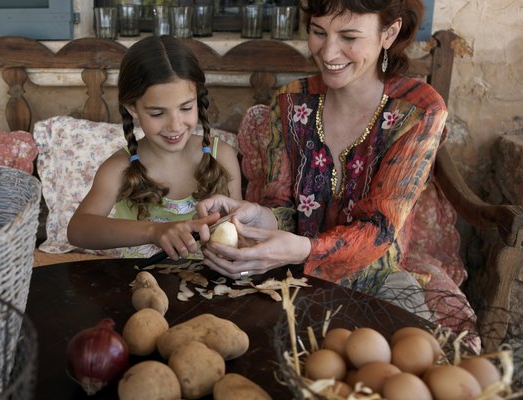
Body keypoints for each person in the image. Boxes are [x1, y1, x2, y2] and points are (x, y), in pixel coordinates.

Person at [196, 0, 446, 315]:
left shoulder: (418, 110)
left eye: (349, 37)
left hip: (377, 281)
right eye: (318, 32)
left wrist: (304, 249)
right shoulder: (290, 102)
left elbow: (380, 229)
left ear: (390, 32)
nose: (328, 53)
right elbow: (284, 210)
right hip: (289, 273)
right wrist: (257, 216)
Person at [67, 35, 242, 260]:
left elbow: (237, 225)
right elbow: (78, 229)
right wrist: (153, 231)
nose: (175, 125)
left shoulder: (222, 156)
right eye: (158, 113)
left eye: (186, 108)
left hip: (207, 288)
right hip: (140, 286)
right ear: (132, 108)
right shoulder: (119, 168)